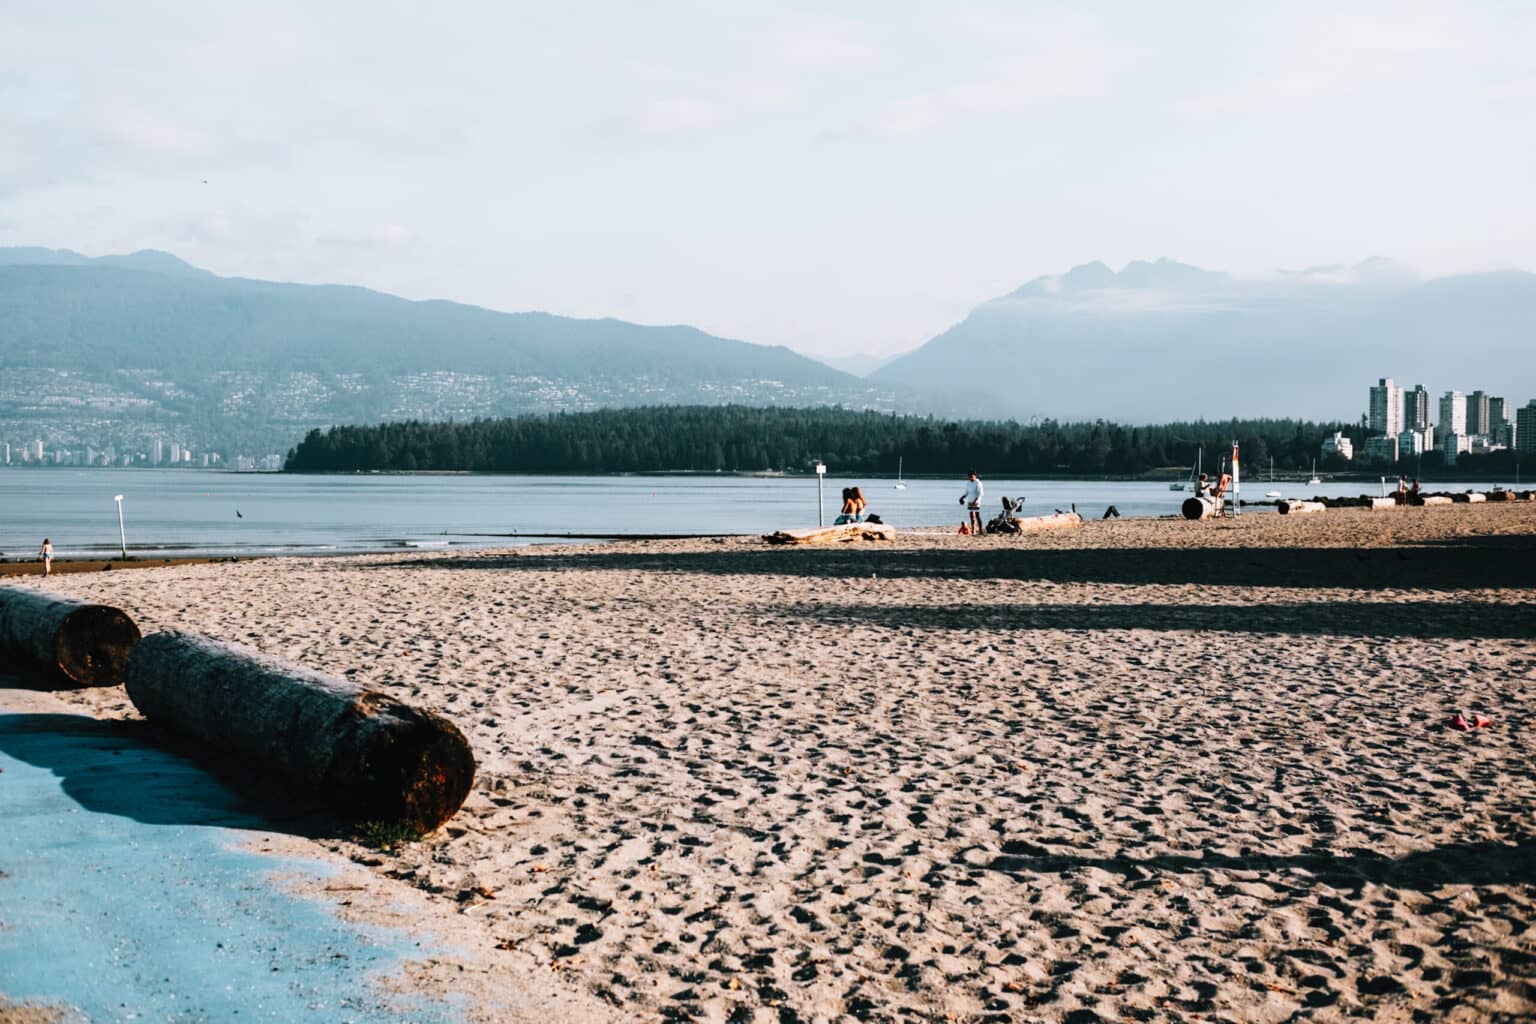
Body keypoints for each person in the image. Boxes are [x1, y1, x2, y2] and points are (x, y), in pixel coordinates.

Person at [959, 470, 984, 535]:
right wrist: (962, 498)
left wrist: (976, 501)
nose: (971, 477)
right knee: (971, 516)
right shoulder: (968, 483)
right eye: (969, 476)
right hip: (970, 500)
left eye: (972, 476)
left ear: (975, 476)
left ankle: (980, 531)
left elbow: (980, 493)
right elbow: (967, 492)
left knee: (977, 516)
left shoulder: (978, 482)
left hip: (976, 501)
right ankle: (973, 530)